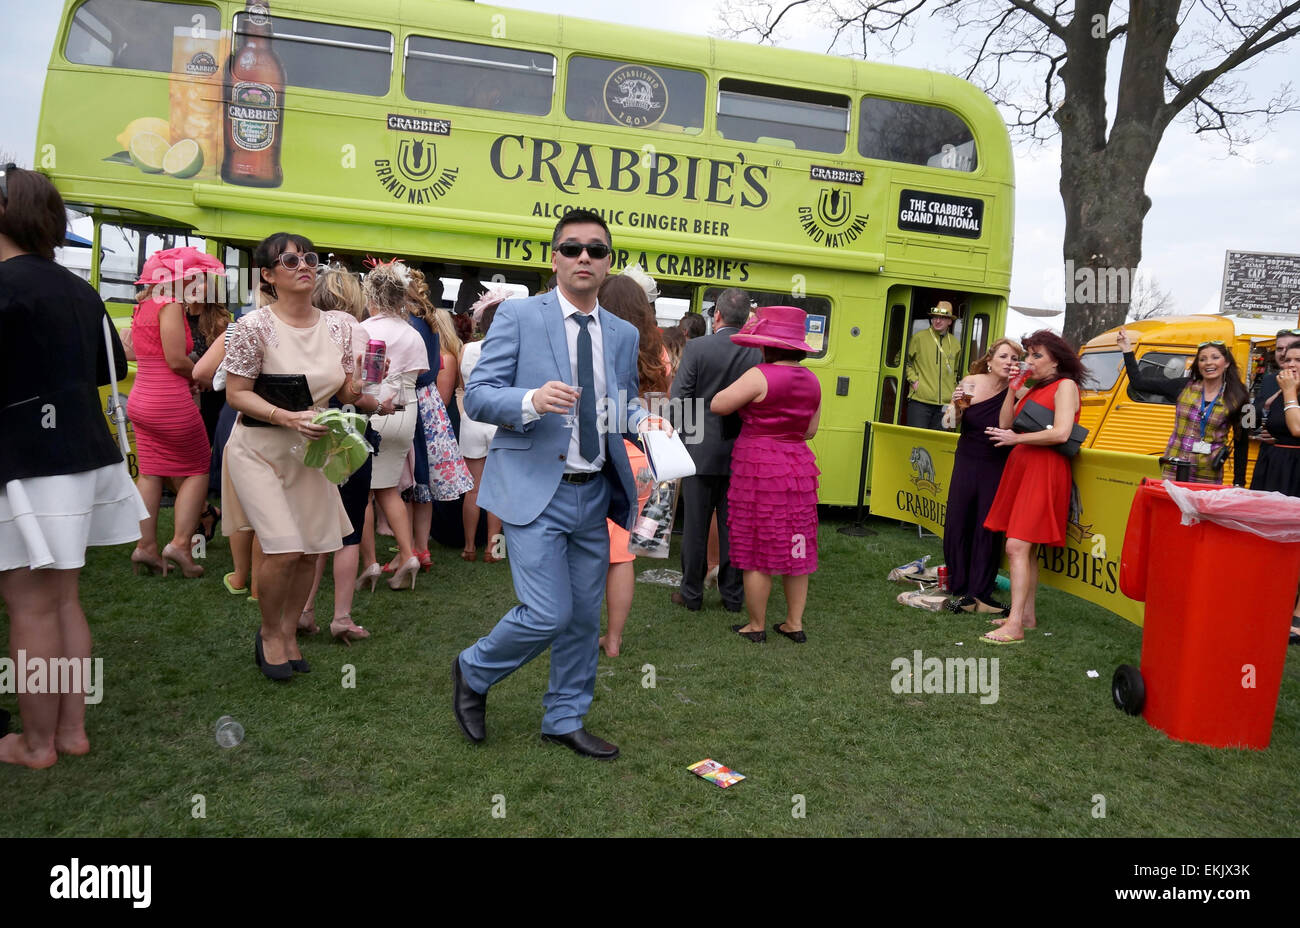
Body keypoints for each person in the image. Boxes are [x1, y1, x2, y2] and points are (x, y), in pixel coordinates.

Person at [452, 209, 669, 760]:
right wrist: (528, 401)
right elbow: (479, 394)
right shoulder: (520, 316)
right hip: (533, 490)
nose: (583, 259)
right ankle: (473, 669)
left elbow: (620, 400)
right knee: (547, 612)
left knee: (579, 618)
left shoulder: (620, 333)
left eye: (595, 250)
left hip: (595, 491)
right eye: (572, 249)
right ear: (554, 258)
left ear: (607, 262)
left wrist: (644, 422)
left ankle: (564, 717)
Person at [0, 164, 148, 767]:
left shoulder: (6, 287)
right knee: (62, 600)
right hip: (83, 455)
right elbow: (105, 366)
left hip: (25, 462)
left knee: (31, 606)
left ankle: (37, 744)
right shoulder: (80, 290)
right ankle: (69, 731)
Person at [222, 232, 378, 680]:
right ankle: (270, 632)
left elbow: (347, 392)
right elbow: (235, 395)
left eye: (309, 258)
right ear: (268, 275)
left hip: (313, 451)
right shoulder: (253, 327)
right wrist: (286, 417)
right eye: (289, 261)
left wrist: (364, 380)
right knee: (285, 548)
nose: (304, 265)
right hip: (259, 450)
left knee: (311, 551)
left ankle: (290, 632)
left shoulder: (341, 326)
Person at [711, 306, 821, 643]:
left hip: (758, 466)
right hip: (797, 467)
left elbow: (718, 404)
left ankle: (756, 625)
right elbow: (810, 431)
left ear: (766, 345)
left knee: (757, 545)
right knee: (796, 545)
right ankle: (794, 623)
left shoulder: (760, 374)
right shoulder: (813, 381)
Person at [126, 246, 227, 578]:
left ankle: (146, 547)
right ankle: (181, 545)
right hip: (168, 401)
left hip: (142, 398)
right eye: (193, 278)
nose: (197, 284)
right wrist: (197, 374)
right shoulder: (169, 306)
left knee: (151, 473)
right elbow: (175, 359)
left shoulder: (143, 306)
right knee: (198, 468)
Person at [980, 330, 1086, 644]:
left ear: (1056, 359)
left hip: (1044, 471)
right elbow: (1004, 423)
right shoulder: (1038, 387)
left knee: (1016, 547)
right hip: (1025, 470)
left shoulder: (1065, 386)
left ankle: (1015, 625)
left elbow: (1062, 433)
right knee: (1025, 551)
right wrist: (1013, 391)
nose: (1029, 361)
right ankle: (1025, 614)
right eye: (1029, 354)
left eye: (1036, 355)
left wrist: (1017, 440)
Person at [298, 267, 376, 643]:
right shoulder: (356, 330)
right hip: (348, 433)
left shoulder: (301, 326)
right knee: (349, 530)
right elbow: (359, 391)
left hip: (306, 431)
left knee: (313, 529)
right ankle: (341, 617)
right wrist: (382, 405)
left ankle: (304, 608)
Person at [670, 288, 761, 613]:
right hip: (742, 452)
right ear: (746, 319)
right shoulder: (758, 352)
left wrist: (680, 439)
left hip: (698, 450)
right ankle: (733, 597)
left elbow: (679, 401)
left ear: (717, 316)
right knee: (734, 528)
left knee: (694, 527)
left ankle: (691, 595)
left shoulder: (697, 347)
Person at [596, 274, 670, 656]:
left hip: (608, 450)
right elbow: (662, 402)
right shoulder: (658, 350)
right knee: (622, 553)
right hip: (646, 453)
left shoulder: (600, 341)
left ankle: (581, 633)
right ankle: (615, 638)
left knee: (587, 546)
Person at [359, 260, 428, 590]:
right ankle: (407, 554)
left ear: (371, 295)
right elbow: (417, 378)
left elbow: (367, 381)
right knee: (388, 489)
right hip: (407, 413)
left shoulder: (366, 330)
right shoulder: (413, 333)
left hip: (378, 410)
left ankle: (371, 562)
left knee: (364, 491)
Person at [942, 338, 1023, 615]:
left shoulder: (1020, 391)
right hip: (966, 459)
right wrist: (955, 407)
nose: (1009, 362)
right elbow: (950, 424)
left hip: (996, 465)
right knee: (958, 518)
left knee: (987, 525)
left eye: (1014, 359)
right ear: (990, 360)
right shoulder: (971, 382)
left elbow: (1010, 425)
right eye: (1003, 356)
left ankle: (981, 588)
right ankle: (958, 583)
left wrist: (1013, 391)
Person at [1116, 327, 1249, 485]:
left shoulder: (1239, 396)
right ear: (1198, 364)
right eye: (1203, 359)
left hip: (1207, 475)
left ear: (1226, 362)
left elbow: (1242, 441)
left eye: (1215, 357)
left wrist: (1239, 482)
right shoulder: (1183, 386)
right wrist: (1126, 350)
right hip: (1173, 470)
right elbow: (1139, 383)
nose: (1209, 363)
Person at [405, 269, 472, 568]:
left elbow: (442, 400)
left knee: (418, 483)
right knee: (421, 485)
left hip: (428, 420)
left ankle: (413, 546)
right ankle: (420, 547)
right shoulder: (442, 347)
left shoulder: (445, 356)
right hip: (436, 420)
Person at [1248, 344, 1300, 645]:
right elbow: (1252, 421)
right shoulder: (1274, 386)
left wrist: (1290, 392)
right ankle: (1268, 602)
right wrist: (1261, 431)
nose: (1290, 363)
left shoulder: (1288, 389)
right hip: (1272, 466)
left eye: (1297, 359)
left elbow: (1296, 428)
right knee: (1267, 537)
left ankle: (1296, 613)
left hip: (1296, 469)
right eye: (1286, 357)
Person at [458, 288, 510, 562]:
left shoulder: (466, 349)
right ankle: (492, 548)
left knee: (472, 489)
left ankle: (468, 547)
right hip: (499, 421)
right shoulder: (512, 350)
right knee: (497, 489)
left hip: (472, 421)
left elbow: (464, 388)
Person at [905, 300, 962, 430]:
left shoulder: (955, 343)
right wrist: (914, 381)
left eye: (943, 318)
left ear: (950, 321)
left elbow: (955, 372)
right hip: (920, 401)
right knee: (916, 443)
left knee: (942, 445)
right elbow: (903, 361)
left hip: (948, 404)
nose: (937, 321)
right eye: (935, 317)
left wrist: (954, 396)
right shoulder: (918, 338)